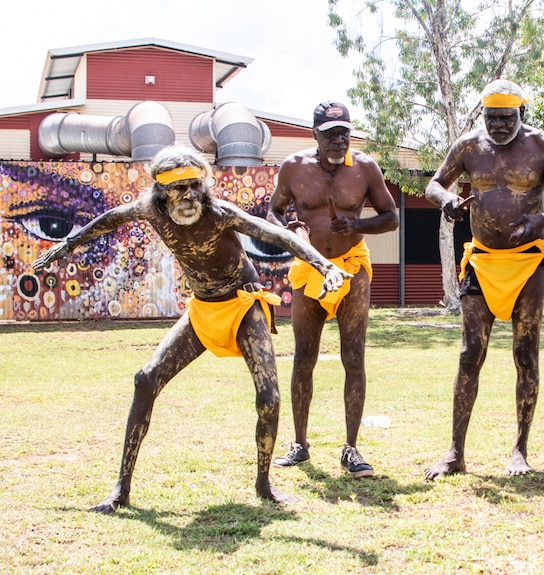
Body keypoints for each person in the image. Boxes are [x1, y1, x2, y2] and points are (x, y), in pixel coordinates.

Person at [32, 145, 353, 513]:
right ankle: (121, 490)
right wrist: (69, 244)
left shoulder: (218, 213)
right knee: (146, 379)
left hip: (244, 305)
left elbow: (278, 235)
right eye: (177, 188)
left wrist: (324, 265)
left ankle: (264, 484)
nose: (187, 196)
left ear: (205, 187)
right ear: (160, 192)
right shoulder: (148, 209)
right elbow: (110, 219)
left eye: (194, 187)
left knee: (269, 399)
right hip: (202, 311)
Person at [423, 79, 544, 480]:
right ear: (482, 115)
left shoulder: (543, 146)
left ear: (521, 113)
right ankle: (455, 452)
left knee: (525, 355)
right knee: (469, 353)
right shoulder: (469, 147)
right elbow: (434, 184)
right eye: (492, 118)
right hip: (482, 261)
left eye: (507, 118)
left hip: (527, 262)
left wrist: (539, 219)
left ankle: (520, 451)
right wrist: (449, 202)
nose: (499, 126)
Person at [267, 101, 398, 478]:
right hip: (309, 270)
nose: (339, 140)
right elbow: (274, 210)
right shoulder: (294, 167)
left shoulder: (365, 168)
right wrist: (290, 230)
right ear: (315, 134)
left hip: (352, 268)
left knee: (353, 356)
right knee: (304, 356)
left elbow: (391, 217)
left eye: (344, 133)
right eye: (331, 134)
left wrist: (355, 227)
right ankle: (299, 445)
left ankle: (351, 449)